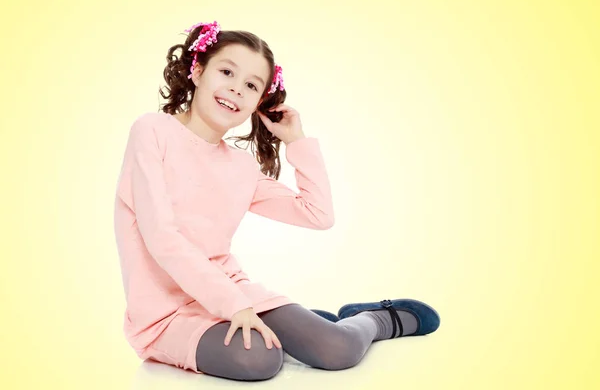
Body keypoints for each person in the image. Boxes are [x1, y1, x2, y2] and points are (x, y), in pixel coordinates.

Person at [113, 20, 440, 382]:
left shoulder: (240, 166)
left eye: (251, 86)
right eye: (226, 72)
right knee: (259, 361)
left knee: (338, 349)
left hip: (233, 294)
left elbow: (318, 215)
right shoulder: (152, 131)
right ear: (198, 70)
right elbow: (163, 238)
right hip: (167, 314)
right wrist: (234, 305)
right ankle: (299, 327)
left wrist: (296, 140)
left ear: (259, 102)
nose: (235, 90)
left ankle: (373, 319)